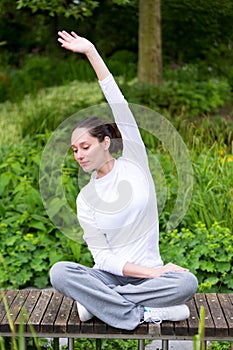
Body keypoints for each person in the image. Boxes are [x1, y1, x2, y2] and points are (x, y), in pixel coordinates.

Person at [50, 30, 198, 330]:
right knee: (60, 272)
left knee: (186, 281)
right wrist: (155, 278)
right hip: (111, 275)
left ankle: (100, 303)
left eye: (85, 146)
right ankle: (144, 312)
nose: (78, 155)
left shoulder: (135, 162)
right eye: (74, 150)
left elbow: (119, 103)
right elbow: (102, 259)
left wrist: (91, 52)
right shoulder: (85, 199)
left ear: (105, 142)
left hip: (149, 271)